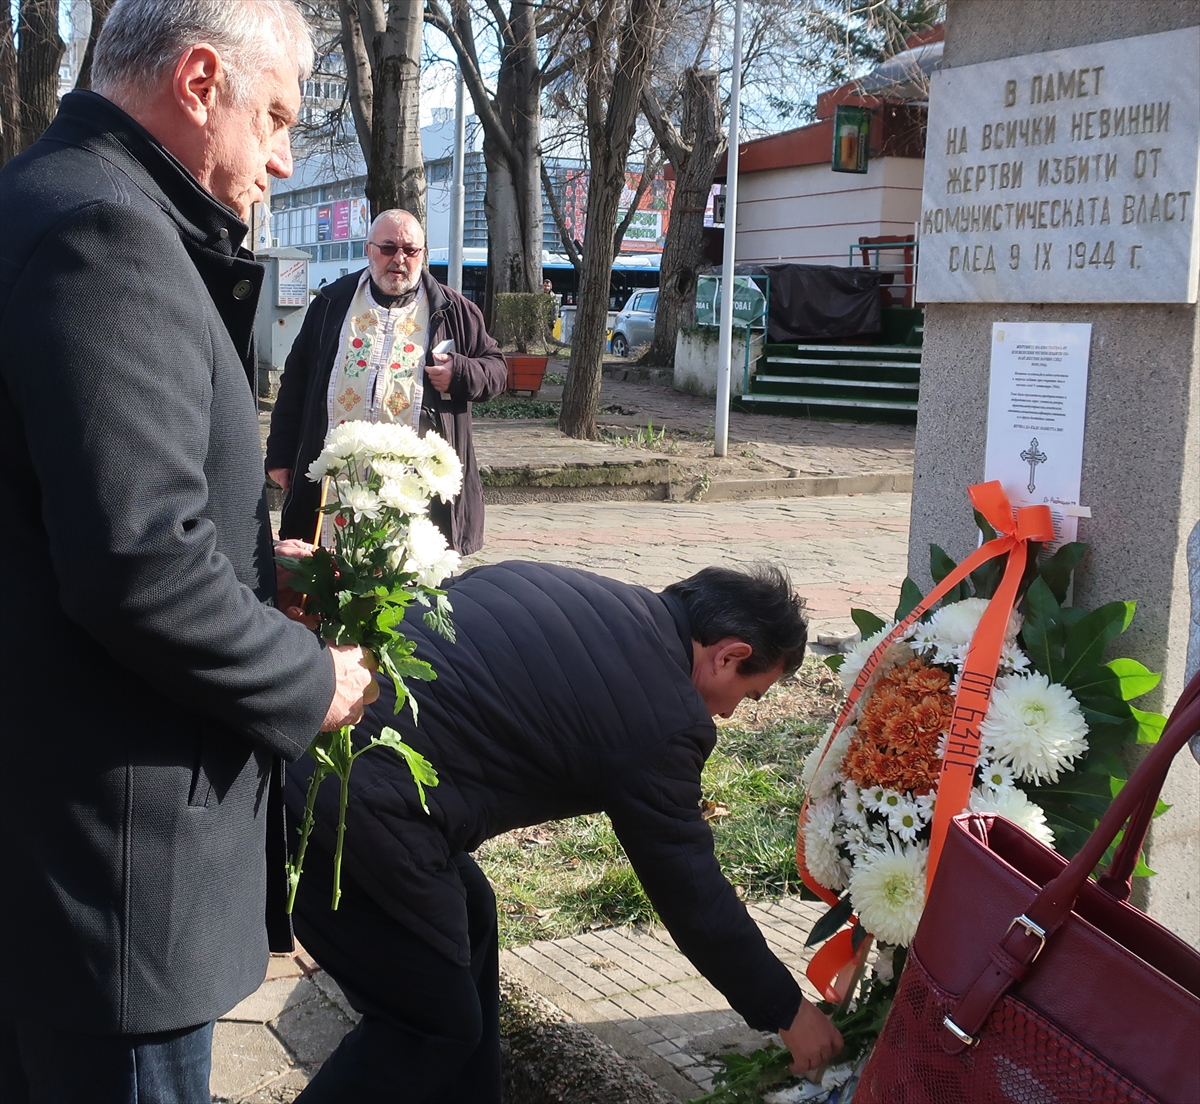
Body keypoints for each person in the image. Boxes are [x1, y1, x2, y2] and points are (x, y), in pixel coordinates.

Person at [0, 2, 378, 1100]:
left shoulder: (46, 198)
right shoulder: (106, 232)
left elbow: (64, 509)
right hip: (107, 886)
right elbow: (137, 568)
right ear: (201, 81)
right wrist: (309, 680)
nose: (283, 154)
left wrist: (267, 572)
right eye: (276, 116)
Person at [284, 560, 844, 1102]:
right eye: (749, 697)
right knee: (430, 1027)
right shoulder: (664, 719)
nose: (728, 715)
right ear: (730, 656)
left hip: (300, 744)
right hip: (344, 802)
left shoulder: (561, 584)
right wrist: (787, 1011)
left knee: (471, 907)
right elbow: (690, 889)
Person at [265, 209, 507, 554]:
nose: (399, 259)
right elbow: (297, 380)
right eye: (388, 247)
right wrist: (281, 455)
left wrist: (460, 372)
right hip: (337, 479)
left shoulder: (454, 311)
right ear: (369, 249)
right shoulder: (332, 303)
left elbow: (496, 369)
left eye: (410, 250)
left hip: (415, 488)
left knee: (406, 589)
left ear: (422, 254)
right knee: (323, 584)